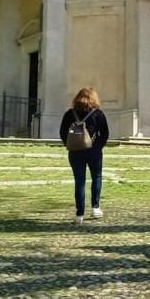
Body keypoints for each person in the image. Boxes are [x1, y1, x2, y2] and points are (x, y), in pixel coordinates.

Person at [59, 87, 110, 226]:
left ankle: (79, 214)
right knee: (97, 177)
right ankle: (95, 208)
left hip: (75, 151)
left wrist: (69, 144)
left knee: (79, 181)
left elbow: (63, 132)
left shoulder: (70, 113)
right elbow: (105, 133)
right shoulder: (98, 114)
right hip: (94, 150)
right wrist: (99, 145)